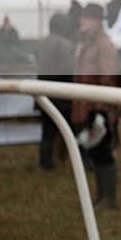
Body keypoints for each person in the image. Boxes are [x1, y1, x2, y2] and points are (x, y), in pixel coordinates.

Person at [72, 3, 119, 210]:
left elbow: (108, 78)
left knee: (103, 152)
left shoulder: (103, 45)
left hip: (98, 107)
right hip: (88, 106)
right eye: (82, 17)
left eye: (88, 18)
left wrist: (102, 110)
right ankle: (101, 196)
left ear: (99, 21)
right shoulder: (87, 43)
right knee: (96, 152)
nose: (83, 20)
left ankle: (108, 199)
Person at [35, 12, 76, 170]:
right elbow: (68, 69)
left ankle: (45, 162)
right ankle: (79, 162)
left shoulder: (43, 43)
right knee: (72, 130)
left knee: (48, 131)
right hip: (61, 94)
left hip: (44, 93)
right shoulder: (64, 44)